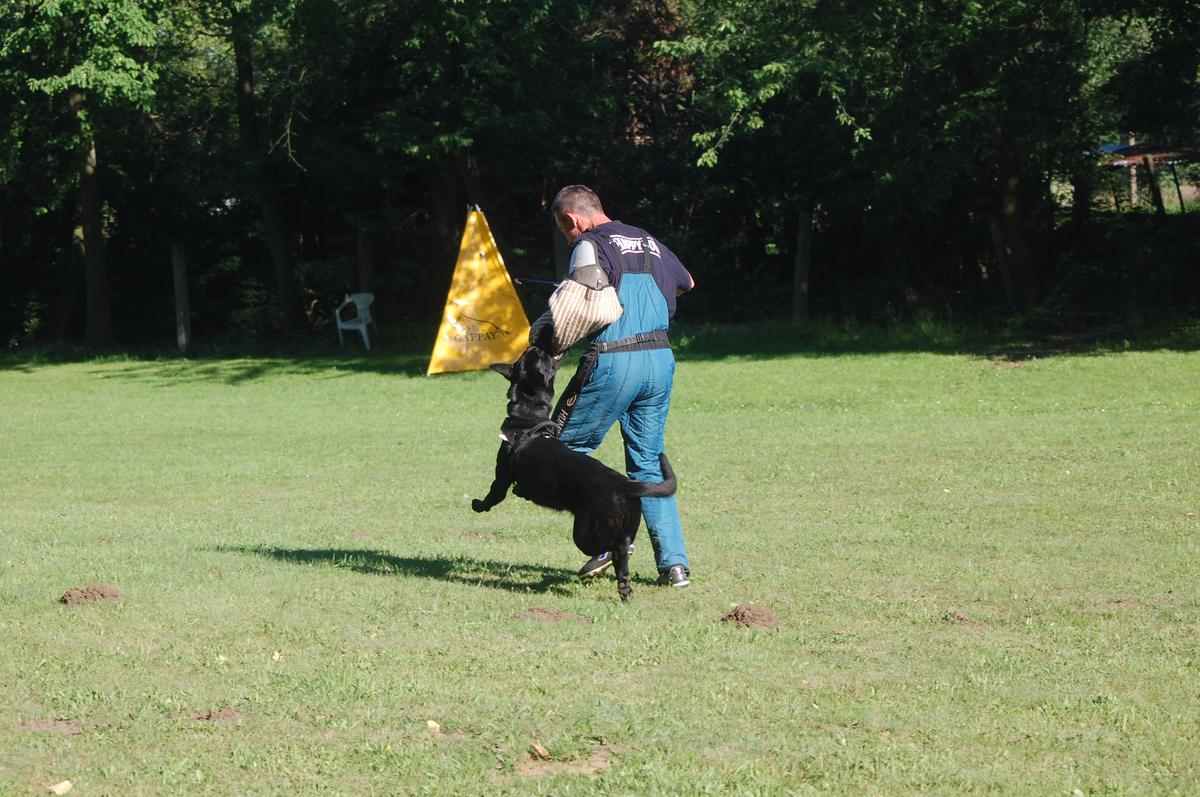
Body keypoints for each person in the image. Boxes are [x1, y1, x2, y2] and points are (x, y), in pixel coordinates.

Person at [548, 184, 695, 588]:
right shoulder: (647, 240)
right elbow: (687, 283)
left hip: (616, 358)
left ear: (572, 220)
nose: (567, 238)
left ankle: (608, 542)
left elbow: (583, 304)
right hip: (660, 359)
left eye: (565, 231)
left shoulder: (589, 244)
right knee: (647, 464)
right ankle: (674, 566)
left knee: (562, 453)